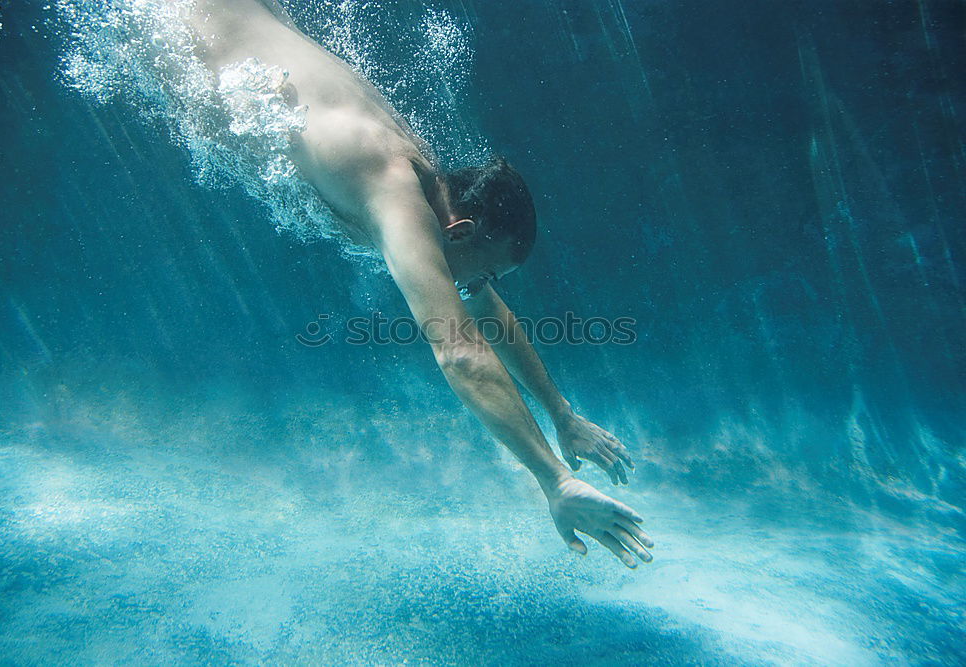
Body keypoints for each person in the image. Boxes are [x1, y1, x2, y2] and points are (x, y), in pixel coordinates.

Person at [186, 0, 653, 568]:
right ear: (463, 230)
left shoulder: (434, 188)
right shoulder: (395, 195)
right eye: (484, 268)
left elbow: (483, 308)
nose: (479, 284)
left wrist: (561, 415)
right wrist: (553, 480)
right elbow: (459, 352)